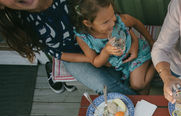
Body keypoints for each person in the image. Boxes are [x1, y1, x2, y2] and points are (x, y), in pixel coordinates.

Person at [0, 0, 137, 95]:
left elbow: (110, 16)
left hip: (101, 41)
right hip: (76, 57)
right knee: (107, 86)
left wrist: (132, 40)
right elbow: (57, 52)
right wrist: (94, 59)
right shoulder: (21, 23)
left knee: (126, 74)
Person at [70, 0, 155, 94]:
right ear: (88, 23)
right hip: (121, 64)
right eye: (106, 22)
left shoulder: (119, 21)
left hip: (139, 52)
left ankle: (156, 61)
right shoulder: (83, 38)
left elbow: (135, 23)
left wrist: (150, 41)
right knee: (139, 90)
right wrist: (105, 52)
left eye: (113, 15)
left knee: (138, 85)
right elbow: (95, 62)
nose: (112, 23)